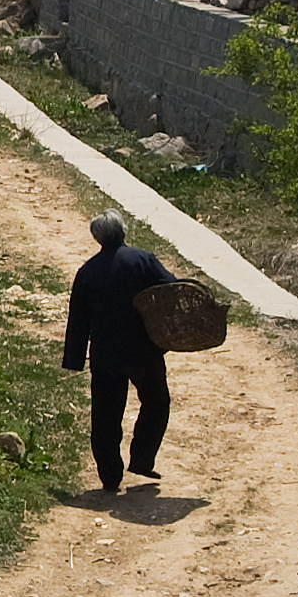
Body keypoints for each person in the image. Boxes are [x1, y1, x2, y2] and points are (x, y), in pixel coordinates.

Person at [61, 209, 178, 493]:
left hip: (106, 354)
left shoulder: (87, 271)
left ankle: (110, 475)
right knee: (156, 402)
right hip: (144, 349)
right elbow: (171, 286)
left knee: (105, 416)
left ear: (97, 237)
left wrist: (74, 358)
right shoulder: (143, 260)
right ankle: (141, 457)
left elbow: (78, 319)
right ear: (123, 231)